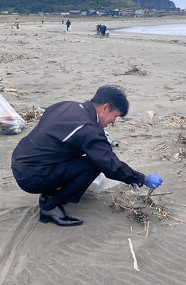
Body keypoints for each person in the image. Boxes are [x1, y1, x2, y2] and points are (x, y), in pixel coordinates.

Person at [11, 85, 163, 226]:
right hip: (32, 177)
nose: (113, 122)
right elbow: (110, 166)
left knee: (78, 152)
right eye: (115, 116)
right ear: (105, 107)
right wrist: (142, 178)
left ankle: (49, 190)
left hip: (19, 163)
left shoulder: (67, 105)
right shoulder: (89, 129)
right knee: (94, 164)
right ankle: (50, 206)